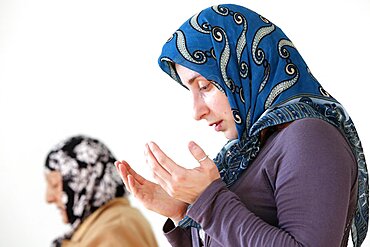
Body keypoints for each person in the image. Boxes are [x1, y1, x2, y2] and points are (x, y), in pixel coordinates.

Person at [115, 4, 368, 247]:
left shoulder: (310, 138)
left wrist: (209, 200)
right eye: (189, 90)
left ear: (241, 67)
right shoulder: (249, 151)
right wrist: (182, 211)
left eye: (205, 86)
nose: (196, 111)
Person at [44, 135, 158, 247]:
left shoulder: (115, 229)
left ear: (84, 179)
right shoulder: (100, 225)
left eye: (55, 185)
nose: (48, 198)